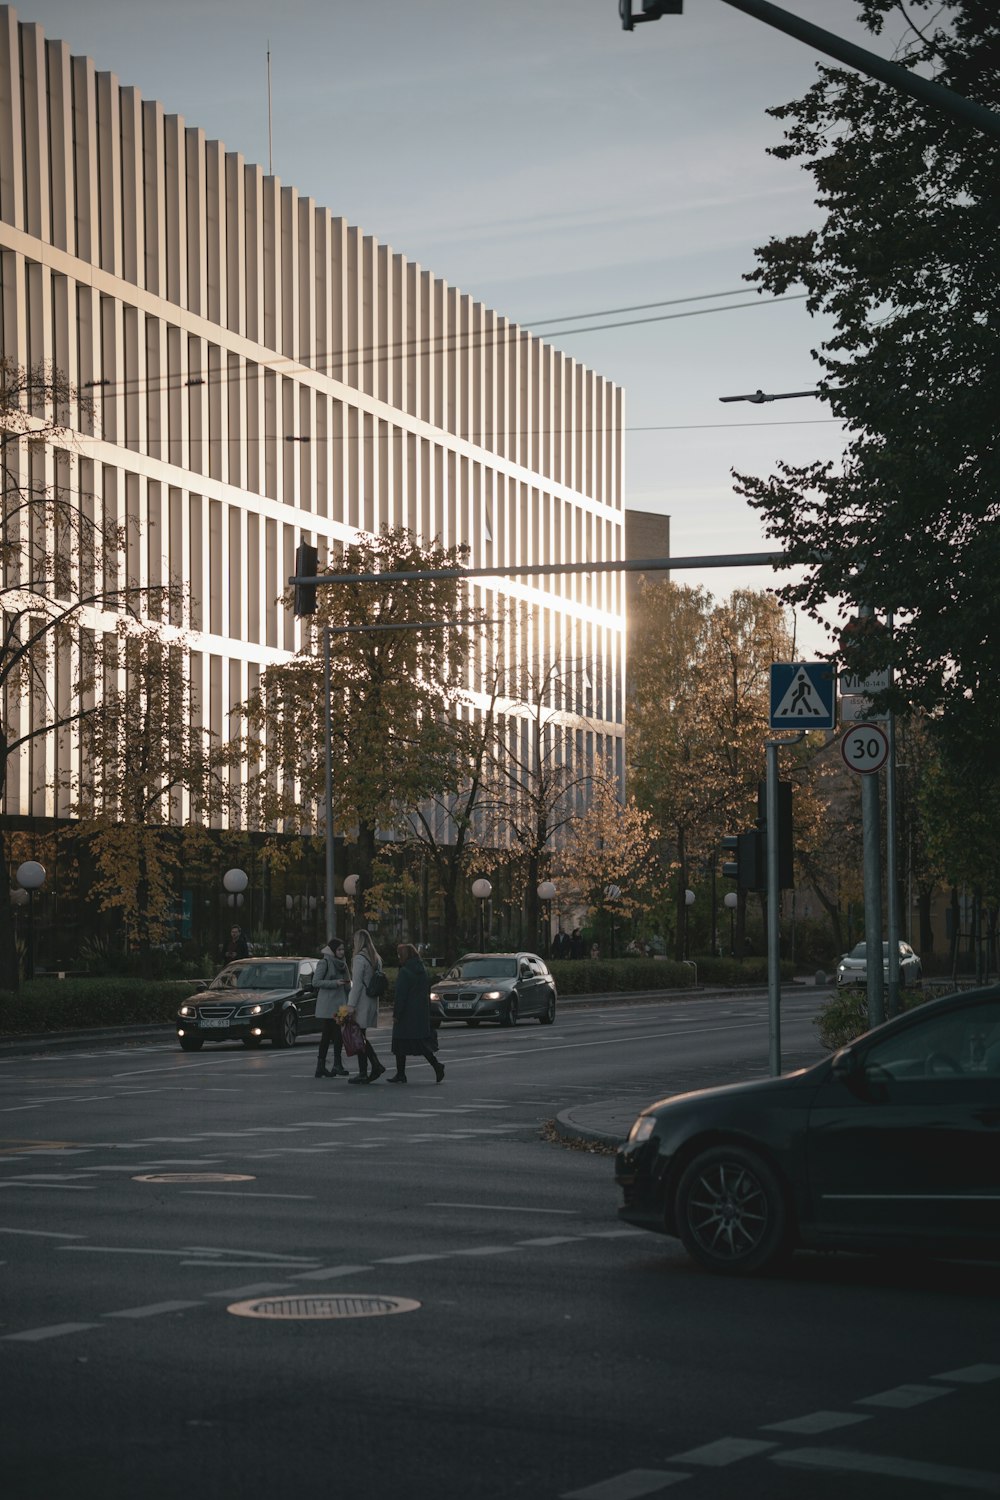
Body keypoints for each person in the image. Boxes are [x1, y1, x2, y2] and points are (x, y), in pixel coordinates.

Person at [389, 942, 444, 1084]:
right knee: (420, 1043)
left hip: (406, 1013)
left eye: (399, 954)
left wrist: (396, 1014)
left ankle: (401, 1073)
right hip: (419, 1013)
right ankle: (436, 1065)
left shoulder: (405, 972)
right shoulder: (422, 969)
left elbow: (400, 996)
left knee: (400, 1043)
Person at [345, 929, 387, 1084]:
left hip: (361, 1002)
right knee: (360, 1036)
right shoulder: (376, 958)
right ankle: (370, 1068)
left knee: (359, 1037)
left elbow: (356, 986)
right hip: (371, 1000)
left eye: (354, 940)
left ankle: (371, 1067)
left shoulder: (359, 959)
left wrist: (350, 1006)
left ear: (359, 941)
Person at [312, 937, 350, 1079]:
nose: (341, 952)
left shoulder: (343, 963)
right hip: (329, 1006)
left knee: (333, 1035)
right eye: (339, 949)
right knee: (331, 1035)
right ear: (333, 950)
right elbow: (316, 982)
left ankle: (327, 1065)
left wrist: (348, 989)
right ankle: (332, 1064)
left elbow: (347, 984)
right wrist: (335, 983)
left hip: (341, 1005)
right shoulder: (325, 962)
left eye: (342, 949)